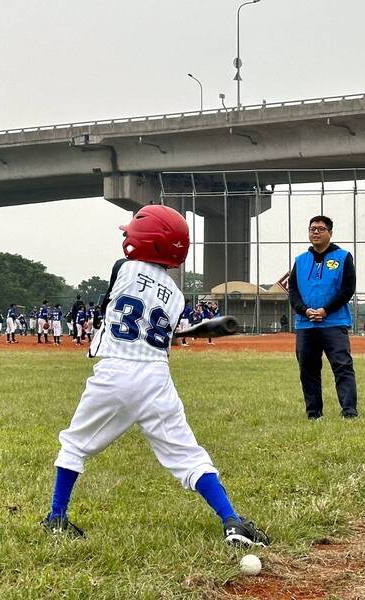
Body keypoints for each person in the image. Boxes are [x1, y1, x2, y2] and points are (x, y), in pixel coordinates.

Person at [43, 204, 270, 547]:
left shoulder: (123, 267)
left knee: (74, 445)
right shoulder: (177, 296)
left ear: (143, 240)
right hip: (155, 379)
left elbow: (113, 312)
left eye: (132, 231)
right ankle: (231, 520)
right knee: (188, 456)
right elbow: (164, 332)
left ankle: (57, 517)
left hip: (114, 372)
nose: (126, 235)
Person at [288, 215, 358, 420]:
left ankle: (349, 412)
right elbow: (292, 291)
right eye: (312, 229)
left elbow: (347, 289)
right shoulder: (300, 261)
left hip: (334, 323)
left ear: (330, 232)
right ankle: (313, 414)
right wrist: (304, 310)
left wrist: (325, 310)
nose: (315, 232)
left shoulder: (343, 257)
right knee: (308, 370)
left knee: (342, 367)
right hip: (305, 324)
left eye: (320, 228)